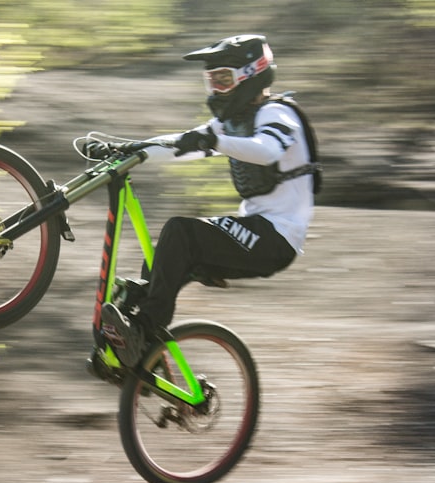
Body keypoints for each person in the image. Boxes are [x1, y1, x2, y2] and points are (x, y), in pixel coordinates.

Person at [99, 34, 319, 368]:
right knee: (157, 266)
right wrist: (127, 150)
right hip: (255, 231)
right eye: (211, 80)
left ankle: (144, 329)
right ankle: (140, 360)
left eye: (224, 78)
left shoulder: (277, 115)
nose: (216, 88)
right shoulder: (230, 122)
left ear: (251, 75)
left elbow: (267, 150)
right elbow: (178, 146)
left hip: (276, 238)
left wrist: (215, 139)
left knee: (179, 232)